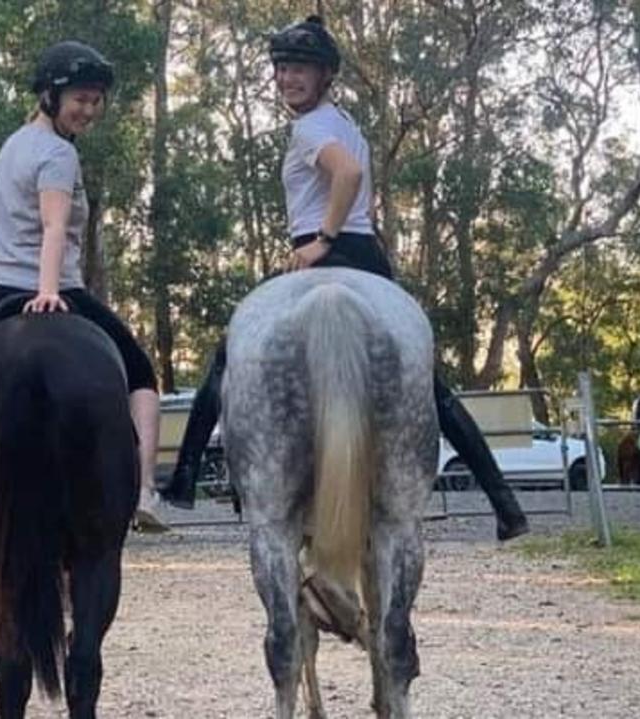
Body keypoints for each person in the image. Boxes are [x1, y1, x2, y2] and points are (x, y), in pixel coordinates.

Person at [159, 16, 529, 543]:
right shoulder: (342, 121)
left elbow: (348, 175)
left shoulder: (311, 128)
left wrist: (322, 239)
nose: (288, 78)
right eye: (283, 68)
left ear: (325, 74)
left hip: (329, 251)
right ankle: (505, 504)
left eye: (300, 69)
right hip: (369, 259)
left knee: (226, 362)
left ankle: (185, 479)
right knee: (430, 388)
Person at [0, 40, 169, 533]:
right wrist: (49, 291)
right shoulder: (58, 154)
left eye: (96, 100)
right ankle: (143, 490)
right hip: (56, 288)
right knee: (141, 376)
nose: (89, 110)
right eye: (80, 99)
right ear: (51, 96)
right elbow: (54, 227)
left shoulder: (15, 143)